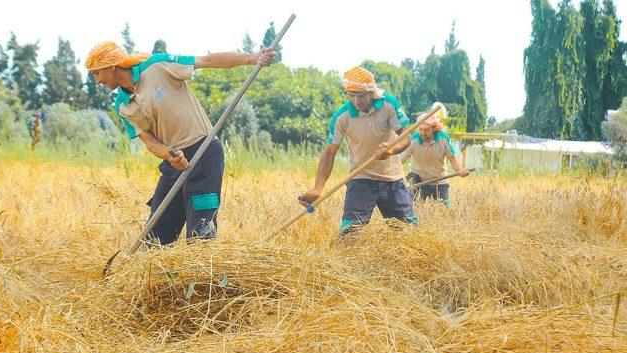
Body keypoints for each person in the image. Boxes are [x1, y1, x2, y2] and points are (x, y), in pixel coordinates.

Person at [85, 41, 275, 245]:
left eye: (97, 73)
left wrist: (253, 58)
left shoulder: (157, 65)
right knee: (154, 240)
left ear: (111, 65)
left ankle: (204, 276)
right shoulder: (122, 104)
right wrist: (170, 155)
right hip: (174, 162)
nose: (97, 82)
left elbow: (207, 60)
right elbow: (149, 140)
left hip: (204, 154)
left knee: (201, 233)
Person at [299, 66, 416, 235]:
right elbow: (329, 153)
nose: (356, 101)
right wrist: (318, 188)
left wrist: (391, 151)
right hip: (361, 179)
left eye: (361, 96)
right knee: (349, 234)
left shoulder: (389, 104)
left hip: (392, 179)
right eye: (351, 96)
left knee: (408, 233)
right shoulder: (342, 117)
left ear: (372, 92)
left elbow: (405, 138)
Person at [400, 104, 469, 205]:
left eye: (426, 130)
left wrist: (460, 170)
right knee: (412, 209)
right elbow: (401, 160)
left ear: (434, 129)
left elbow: (452, 158)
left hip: (440, 181)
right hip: (419, 181)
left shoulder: (443, 138)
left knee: (443, 210)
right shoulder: (412, 141)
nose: (423, 133)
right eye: (420, 129)